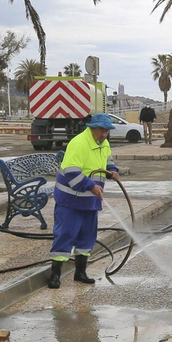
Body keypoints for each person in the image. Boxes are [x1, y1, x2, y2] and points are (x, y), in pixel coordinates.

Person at [47, 113, 120, 289]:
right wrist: (91, 186)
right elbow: (72, 173)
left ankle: (80, 273)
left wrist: (112, 170)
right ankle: (55, 275)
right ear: (92, 128)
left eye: (107, 131)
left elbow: (107, 159)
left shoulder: (103, 142)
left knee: (87, 237)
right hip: (70, 201)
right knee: (65, 235)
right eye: (101, 130)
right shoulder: (79, 144)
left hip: (90, 202)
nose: (104, 134)